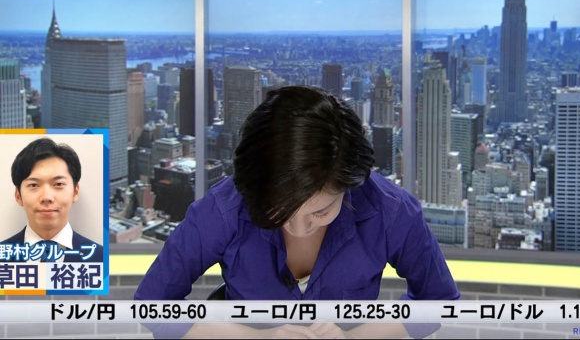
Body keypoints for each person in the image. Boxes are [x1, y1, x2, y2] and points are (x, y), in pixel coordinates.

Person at [135, 86, 460, 338]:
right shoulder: (223, 209)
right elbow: (152, 306)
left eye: (320, 212)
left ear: (349, 187)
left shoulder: (391, 210)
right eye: (281, 210)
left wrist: (354, 336)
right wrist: (257, 337)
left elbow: (439, 302)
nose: (299, 229)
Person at [1, 137, 103, 263]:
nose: (47, 197)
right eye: (34, 185)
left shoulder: (102, 258)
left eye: (58, 184)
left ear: (75, 192)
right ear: (18, 195)